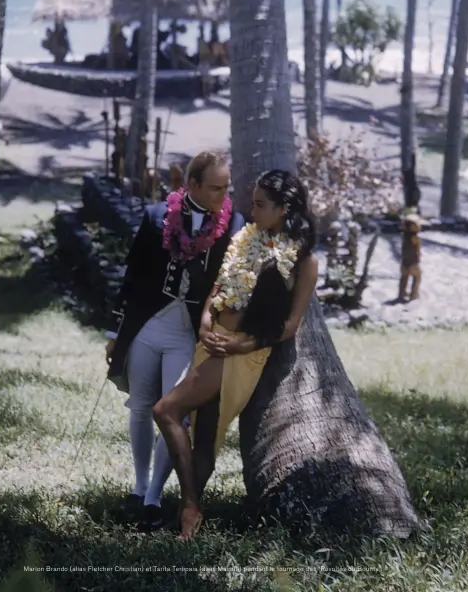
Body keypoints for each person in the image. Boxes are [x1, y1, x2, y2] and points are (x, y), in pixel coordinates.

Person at [152, 170, 319, 540]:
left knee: (166, 410)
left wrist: (239, 345)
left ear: (284, 208)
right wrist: (206, 319)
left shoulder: (304, 261)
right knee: (207, 431)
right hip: (212, 342)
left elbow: (290, 326)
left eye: (260, 204)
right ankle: (189, 514)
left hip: (242, 354)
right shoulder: (246, 238)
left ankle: (190, 507)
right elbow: (219, 286)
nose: (251, 209)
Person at [105, 151, 245, 531]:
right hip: (149, 324)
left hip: (187, 332)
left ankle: (154, 496)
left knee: (174, 413)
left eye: (226, 187)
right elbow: (133, 275)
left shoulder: (234, 223)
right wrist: (116, 332)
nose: (223, 194)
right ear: (193, 185)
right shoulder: (156, 217)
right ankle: (138, 486)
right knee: (140, 406)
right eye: (215, 187)